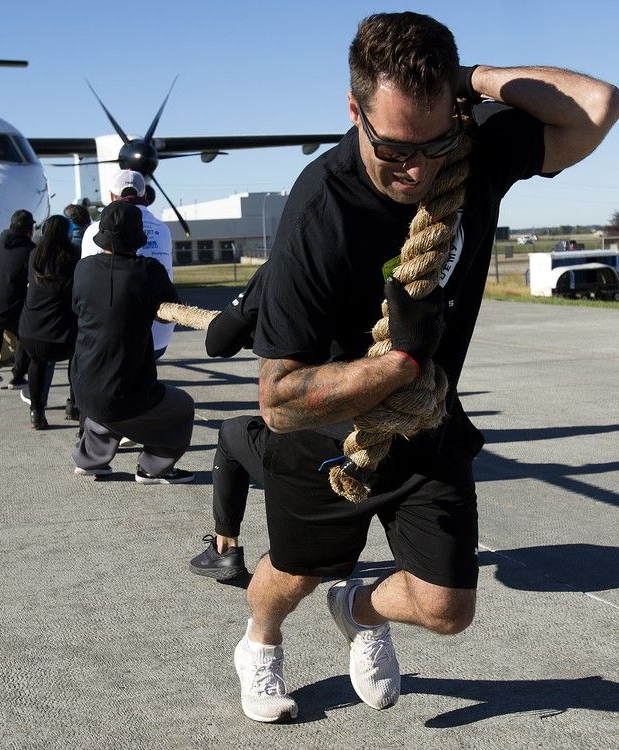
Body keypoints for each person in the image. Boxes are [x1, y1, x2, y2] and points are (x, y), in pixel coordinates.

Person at [234, 11, 618, 724]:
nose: (418, 169)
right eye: (396, 147)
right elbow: (279, 402)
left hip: (428, 421)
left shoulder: (469, 151)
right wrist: (399, 362)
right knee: (291, 575)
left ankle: (359, 606)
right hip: (327, 441)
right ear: (354, 111)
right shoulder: (320, 211)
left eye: (435, 141)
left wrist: (474, 80)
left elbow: (597, 106)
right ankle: (261, 641)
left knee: (447, 611)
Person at [70, 200, 195, 483]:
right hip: (123, 390)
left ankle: (89, 461)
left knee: (105, 405)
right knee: (181, 407)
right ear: (137, 236)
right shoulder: (148, 270)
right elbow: (169, 313)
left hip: (82, 384)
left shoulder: (83, 269)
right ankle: (155, 468)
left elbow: (79, 308)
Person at [190, 264, 270, 580]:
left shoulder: (280, 268)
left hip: (317, 451)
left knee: (231, 433)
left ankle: (225, 548)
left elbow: (218, 342)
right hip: (396, 444)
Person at [82, 170, 175, 358]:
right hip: (159, 337)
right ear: (146, 196)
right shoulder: (163, 229)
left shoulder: (93, 231)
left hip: (107, 337)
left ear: (111, 196)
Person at [17, 215, 80, 430]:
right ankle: (74, 407)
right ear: (67, 233)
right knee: (76, 360)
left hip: (30, 331)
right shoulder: (72, 256)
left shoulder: (35, 255)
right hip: (62, 333)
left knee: (37, 362)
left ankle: (37, 414)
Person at [0, 210, 36, 385]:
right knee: (24, 334)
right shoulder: (30, 251)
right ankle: (18, 375)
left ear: (10, 226)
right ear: (30, 229)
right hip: (10, 308)